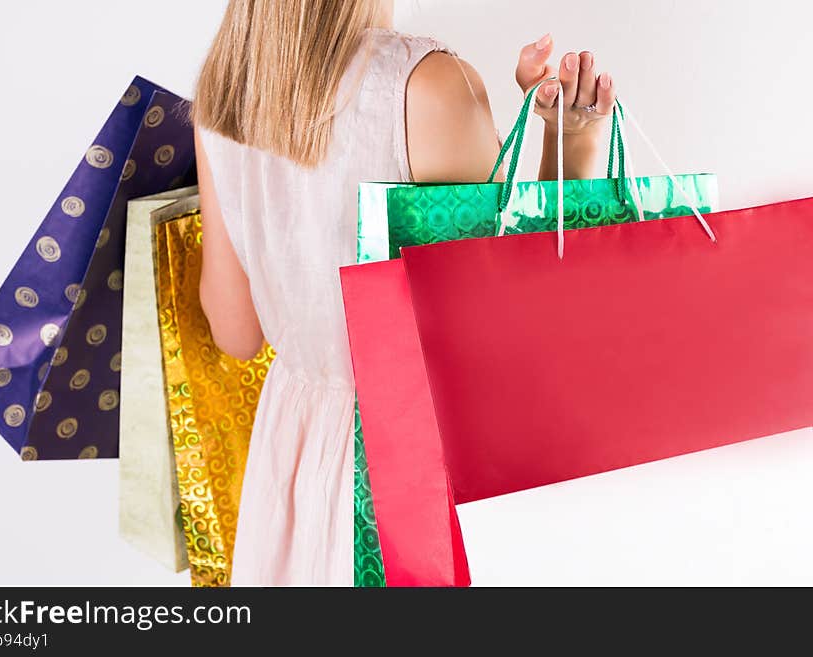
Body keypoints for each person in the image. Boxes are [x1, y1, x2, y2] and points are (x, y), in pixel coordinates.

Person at [192, 0, 616, 586]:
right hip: (407, 466)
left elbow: (235, 333)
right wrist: (574, 142)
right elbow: (516, 337)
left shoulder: (227, 90)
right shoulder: (429, 86)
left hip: (291, 461)